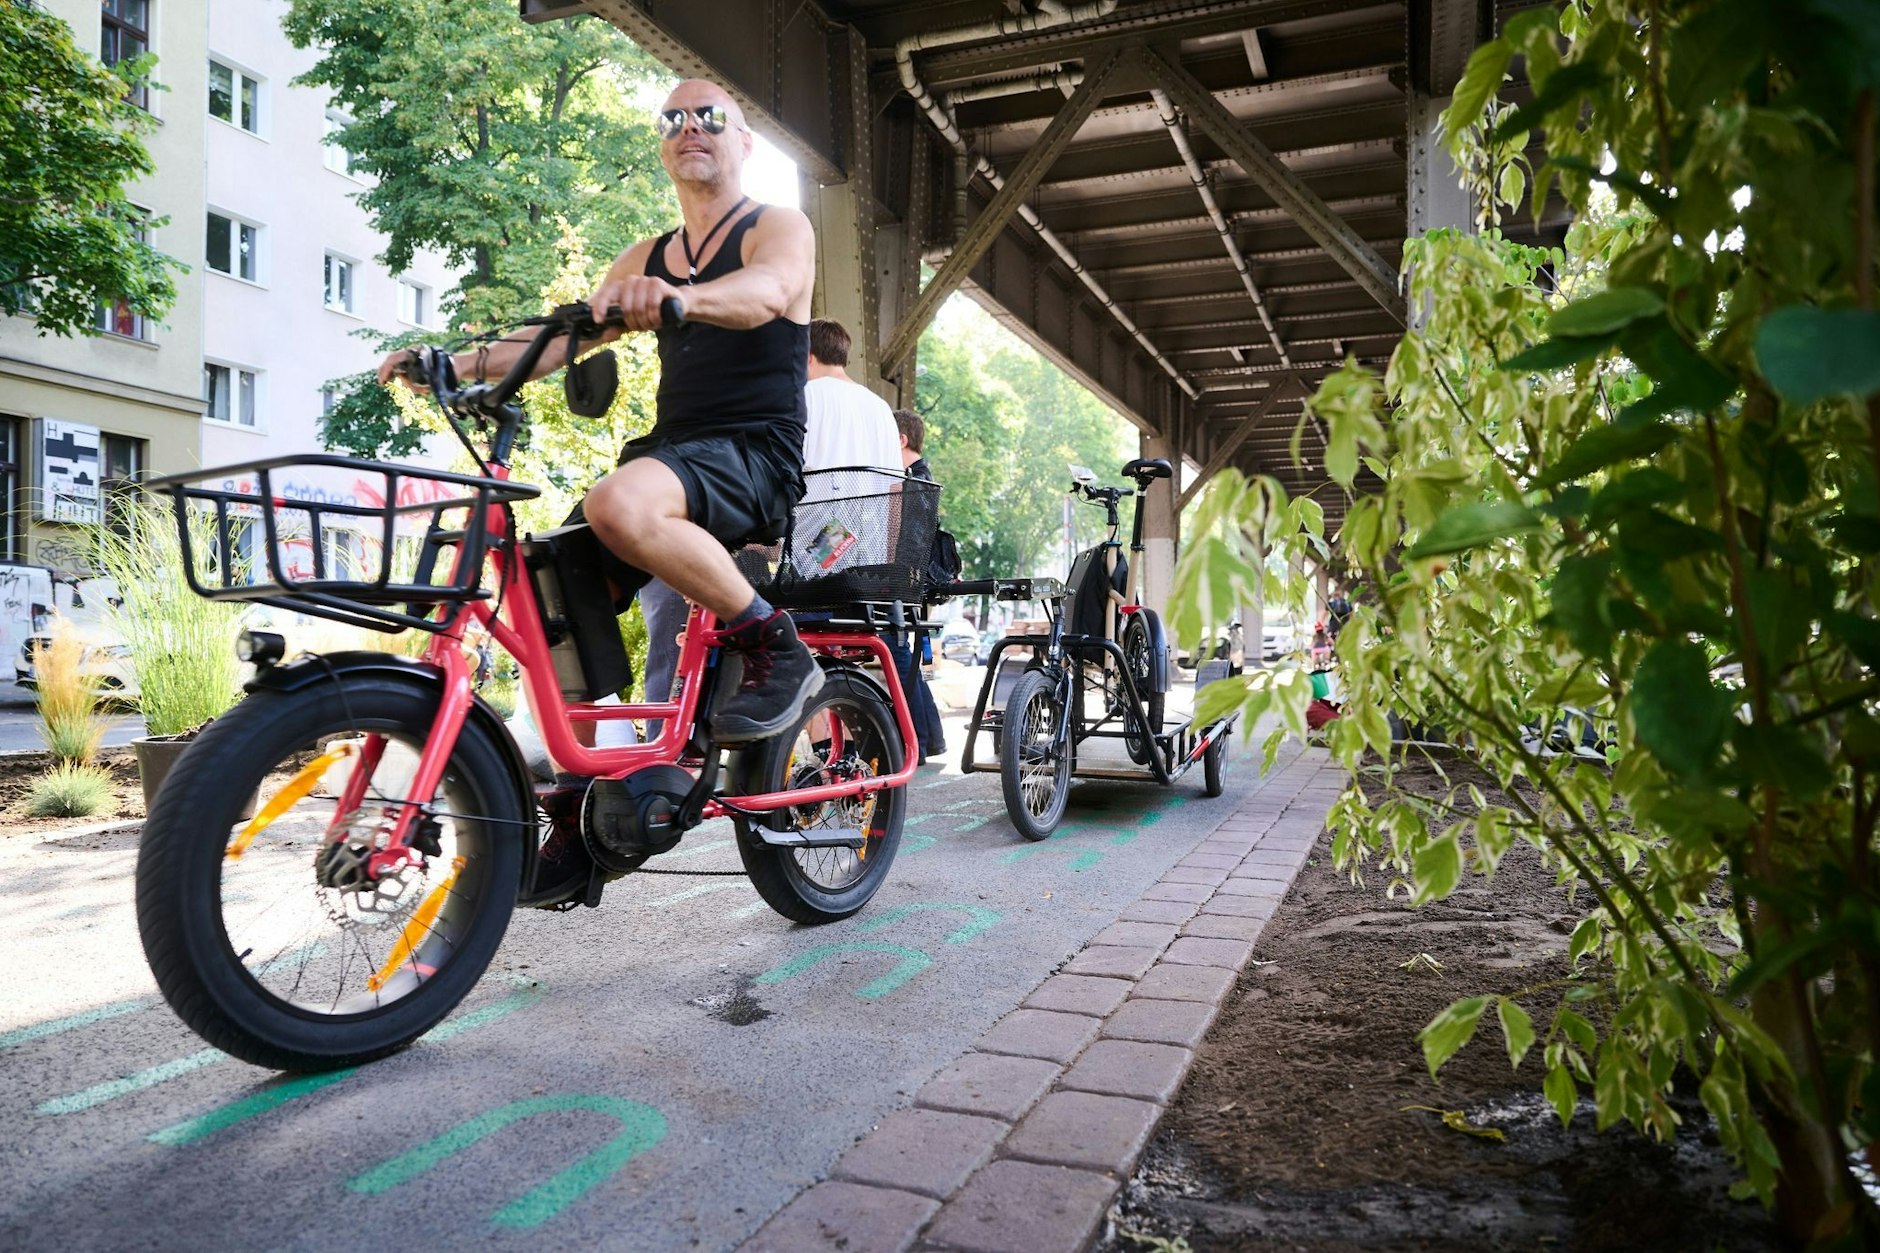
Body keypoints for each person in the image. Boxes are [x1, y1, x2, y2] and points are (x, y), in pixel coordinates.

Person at [378, 78, 819, 749]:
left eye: (709, 117)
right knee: (545, 586)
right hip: (674, 452)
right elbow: (562, 340)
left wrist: (681, 299)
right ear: (663, 145)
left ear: (745, 140)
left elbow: (770, 291)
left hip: (756, 453)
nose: (689, 127)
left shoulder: (776, 226)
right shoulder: (645, 257)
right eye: (673, 119)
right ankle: (594, 790)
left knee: (618, 503)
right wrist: (453, 364)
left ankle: (779, 648)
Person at [889, 407, 946, 763]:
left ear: (901, 440)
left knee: (898, 655)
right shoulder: (919, 478)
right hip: (909, 584)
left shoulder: (913, 482)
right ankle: (928, 739)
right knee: (903, 660)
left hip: (902, 583)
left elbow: (905, 541)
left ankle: (921, 741)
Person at [803, 318, 901, 472]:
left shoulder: (806, 396)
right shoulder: (882, 408)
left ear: (808, 357)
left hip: (815, 496)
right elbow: (895, 485)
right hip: (872, 497)